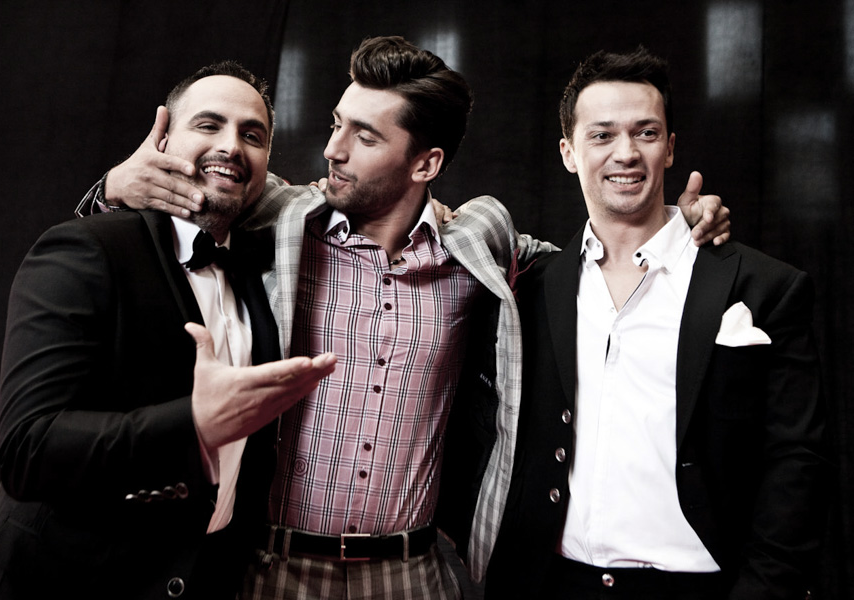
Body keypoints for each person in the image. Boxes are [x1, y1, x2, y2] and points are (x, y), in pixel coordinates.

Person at [77, 38, 729, 598]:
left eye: (364, 136)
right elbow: (168, 216)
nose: (332, 150)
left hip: (417, 574)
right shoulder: (283, 218)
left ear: (426, 164)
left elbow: (587, 267)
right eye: (337, 124)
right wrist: (111, 189)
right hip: (270, 568)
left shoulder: (477, 244)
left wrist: (677, 227)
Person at [0, 62, 337, 600]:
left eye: (252, 135)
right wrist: (193, 425)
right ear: (162, 141)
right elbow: (28, 451)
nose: (231, 146)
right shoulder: (87, 247)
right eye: (208, 125)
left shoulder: (262, 274)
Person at [484, 47, 827, 599]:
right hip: (555, 584)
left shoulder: (763, 286)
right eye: (602, 135)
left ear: (669, 148)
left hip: (701, 586)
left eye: (645, 133)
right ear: (569, 152)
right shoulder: (534, 286)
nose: (625, 153)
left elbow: (796, 460)